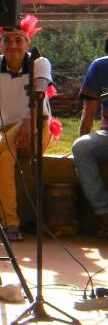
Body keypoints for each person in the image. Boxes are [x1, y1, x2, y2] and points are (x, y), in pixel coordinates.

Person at [0, 14, 53, 242]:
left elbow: (39, 93)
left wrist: (26, 121)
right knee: (4, 152)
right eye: (7, 40)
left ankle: (9, 223)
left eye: (18, 40)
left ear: (27, 42)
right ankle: (10, 221)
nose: (13, 45)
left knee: (3, 148)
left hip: (36, 124)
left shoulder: (40, 62)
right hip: (2, 128)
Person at [71, 42, 108, 237]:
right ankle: (104, 215)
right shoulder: (100, 67)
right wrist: (81, 138)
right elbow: (89, 111)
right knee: (82, 147)